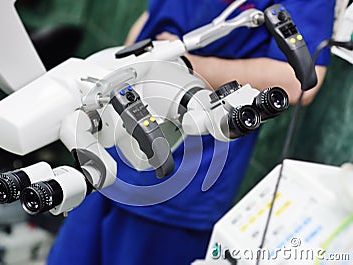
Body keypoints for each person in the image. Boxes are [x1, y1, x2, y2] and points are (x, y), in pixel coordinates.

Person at [48, 1, 335, 264]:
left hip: (180, 182)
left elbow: (297, 80)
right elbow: (152, 18)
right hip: (109, 155)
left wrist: (181, 66)